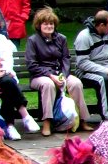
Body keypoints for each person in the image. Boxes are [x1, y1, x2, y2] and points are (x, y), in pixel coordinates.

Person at [26, 8, 93, 136]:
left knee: (76, 83)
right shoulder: (33, 40)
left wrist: (63, 75)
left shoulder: (61, 38)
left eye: (51, 23)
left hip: (60, 73)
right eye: (45, 23)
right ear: (39, 25)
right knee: (48, 84)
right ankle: (47, 122)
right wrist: (51, 76)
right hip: (40, 76)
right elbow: (32, 64)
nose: (49, 26)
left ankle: (83, 120)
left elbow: (66, 59)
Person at [0, 15, 35, 140]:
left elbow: (7, 59)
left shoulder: (1, 39)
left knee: (8, 83)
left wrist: (3, 69)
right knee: (9, 83)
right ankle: (23, 116)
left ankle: (10, 126)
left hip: (2, 73)